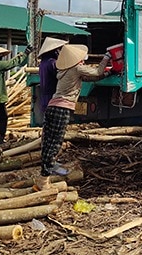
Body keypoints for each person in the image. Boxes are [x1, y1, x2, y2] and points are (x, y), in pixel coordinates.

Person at [37, 44, 111, 187]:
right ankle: (43, 179)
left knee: (48, 141)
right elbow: (96, 72)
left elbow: (89, 78)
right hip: (62, 108)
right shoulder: (76, 68)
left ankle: (45, 172)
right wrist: (106, 58)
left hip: (53, 106)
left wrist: (107, 74)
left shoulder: (65, 69)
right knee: (55, 142)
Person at [37, 37, 68, 121]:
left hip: (45, 91)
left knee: (47, 118)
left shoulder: (43, 63)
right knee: (53, 118)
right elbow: (59, 74)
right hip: (51, 92)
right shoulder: (52, 62)